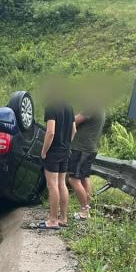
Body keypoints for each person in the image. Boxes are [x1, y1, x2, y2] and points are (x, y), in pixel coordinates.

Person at [40, 96, 76, 229]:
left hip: (53, 152)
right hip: (65, 151)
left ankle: (53, 220)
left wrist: (44, 151)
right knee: (62, 183)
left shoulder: (51, 106)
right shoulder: (69, 106)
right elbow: (74, 130)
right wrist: (66, 145)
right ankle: (63, 218)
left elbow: (50, 132)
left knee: (52, 185)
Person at [68, 106, 106, 220]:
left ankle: (84, 210)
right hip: (89, 148)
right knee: (84, 178)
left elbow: (74, 120)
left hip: (81, 148)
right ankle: (86, 210)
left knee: (73, 179)